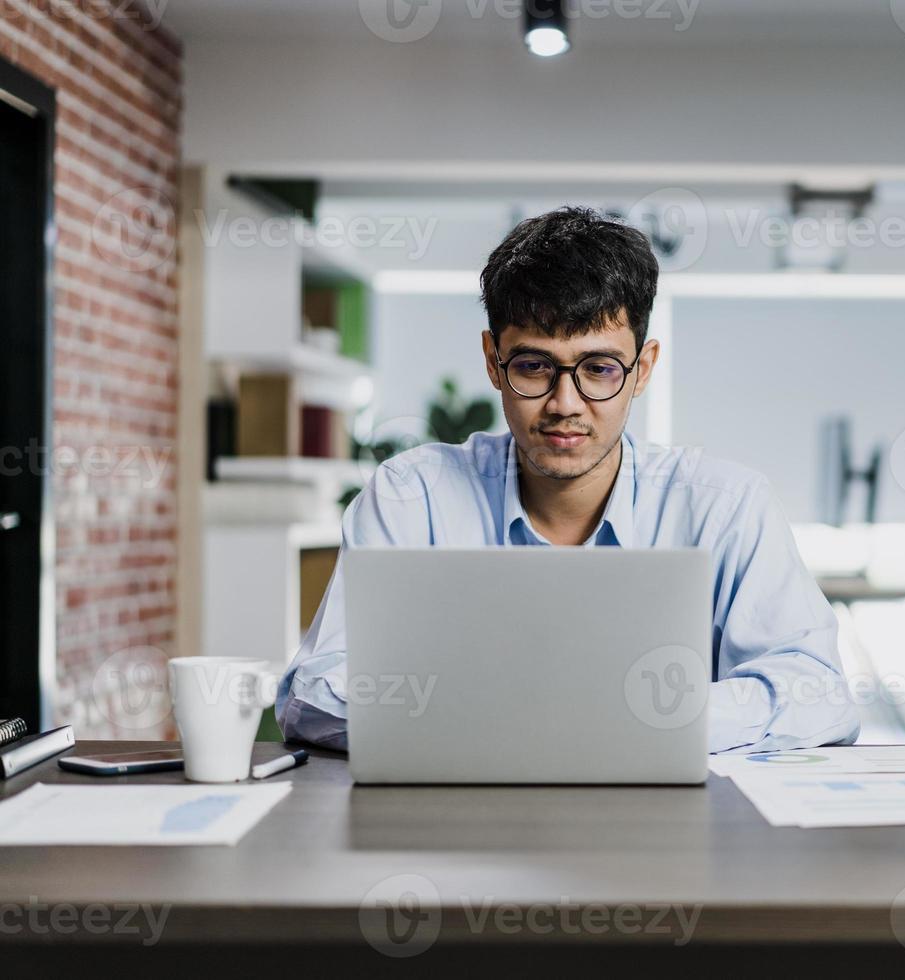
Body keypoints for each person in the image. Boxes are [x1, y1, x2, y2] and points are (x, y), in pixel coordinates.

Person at [276, 206, 860, 754]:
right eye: (533, 366)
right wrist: (530, 720)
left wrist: (634, 719)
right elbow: (312, 693)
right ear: (492, 360)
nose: (564, 404)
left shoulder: (726, 505)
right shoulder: (412, 496)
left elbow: (819, 695)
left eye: (599, 369)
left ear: (643, 368)